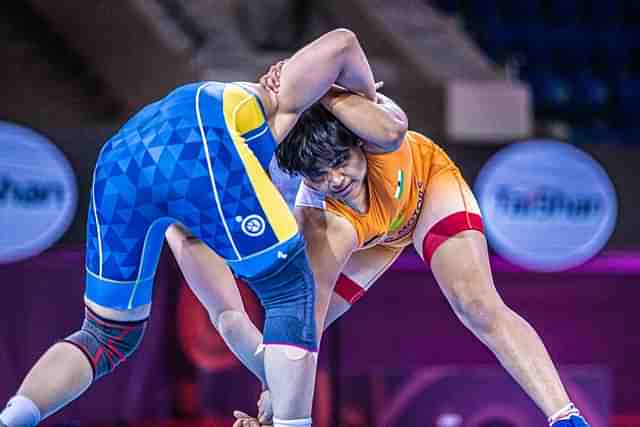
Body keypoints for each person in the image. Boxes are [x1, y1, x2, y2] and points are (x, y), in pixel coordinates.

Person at [0, 28, 380, 427]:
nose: (330, 180)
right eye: (321, 172)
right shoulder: (286, 101)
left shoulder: (203, 213)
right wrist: (366, 102)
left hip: (121, 160)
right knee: (291, 290)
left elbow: (228, 317)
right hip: (198, 140)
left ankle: (14, 417)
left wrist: (275, 384)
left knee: (106, 334)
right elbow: (343, 42)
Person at [230, 60, 591, 427]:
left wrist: (316, 85)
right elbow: (298, 330)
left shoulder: (380, 130)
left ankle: (567, 419)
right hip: (372, 235)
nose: (337, 179)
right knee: (307, 319)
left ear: (358, 143)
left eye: (341, 162)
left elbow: (343, 41)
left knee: (477, 305)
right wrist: (272, 404)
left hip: (427, 188)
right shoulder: (324, 227)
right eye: (321, 175)